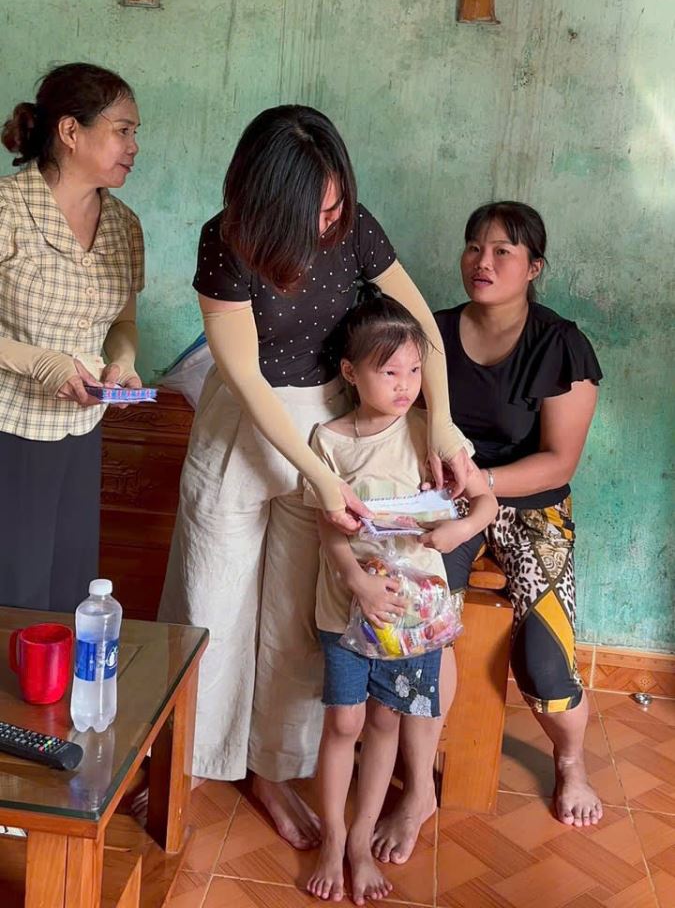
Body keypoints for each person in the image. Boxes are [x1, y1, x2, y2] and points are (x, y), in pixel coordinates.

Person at [159, 104, 473, 849]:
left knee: (299, 617)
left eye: (336, 205)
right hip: (244, 427)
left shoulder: (353, 227)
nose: (329, 221)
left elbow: (420, 327)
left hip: (326, 424)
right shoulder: (225, 240)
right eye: (315, 209)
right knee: (212, 602)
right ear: (266, 200)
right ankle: (191, 762)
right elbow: (244, 377)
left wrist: (441, 419)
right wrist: (317, 479)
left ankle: (271, 769)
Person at [372, 201, 603, 862]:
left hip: (528, 501)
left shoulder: (560, 345)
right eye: (474, 246)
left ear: (534, 267)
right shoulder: (432, 333)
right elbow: (399, 414)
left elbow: (559, 462)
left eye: (504, 251)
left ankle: (570, 763)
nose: (483, 261)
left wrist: (483, 483)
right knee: (418, 625)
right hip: (445, 499)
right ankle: (419, 788)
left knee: (544, 659)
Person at [305, 294, 497, 904]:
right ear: (350, 371)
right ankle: (333, 840)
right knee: (344, 722)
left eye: (415, 370)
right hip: (346, 609)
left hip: (413, 619)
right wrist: (356, 580)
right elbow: (326, 527)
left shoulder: (430, 433)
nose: (406, 384)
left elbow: (485, 501)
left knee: (386, 720)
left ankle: (361, 843)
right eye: (390, 371)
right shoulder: (327, 441)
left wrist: (459, 531)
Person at [0, 63, 144, 612]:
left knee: (72, 590)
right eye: (122, 130)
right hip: (10, 430)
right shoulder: (8, 209)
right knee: (15, 595)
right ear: (70, 131)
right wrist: (44, 364)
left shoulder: (124, 225)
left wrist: (122, 363)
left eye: (135, 133)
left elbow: (123, 323)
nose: (133, 146)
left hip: (82, 430)